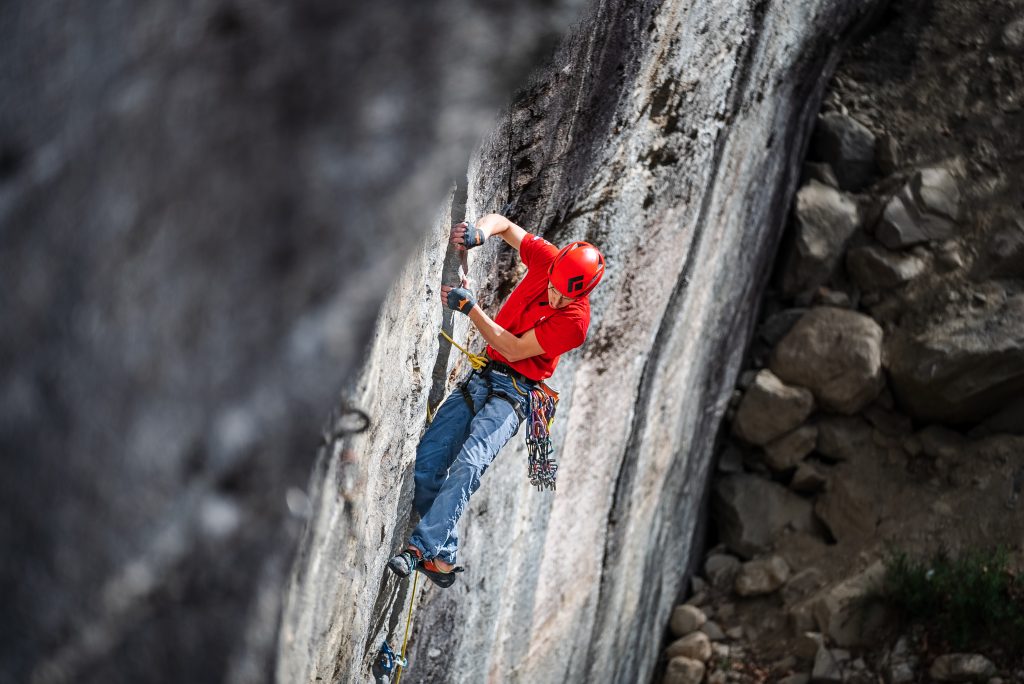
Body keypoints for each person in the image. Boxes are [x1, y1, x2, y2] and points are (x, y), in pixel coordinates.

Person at [387, 213, 605, 587]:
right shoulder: (548, 258)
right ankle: (443, 557)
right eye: (552, 287)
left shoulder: (574, 323)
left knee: (470, 463)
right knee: (427, 464)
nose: (552, 297)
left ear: (580, 294)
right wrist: (479, 234)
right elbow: (503, 224)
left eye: (562, 295)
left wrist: (470, 309)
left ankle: (419, 550)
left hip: (515, 392)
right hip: (484, 376)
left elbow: (513, 347)